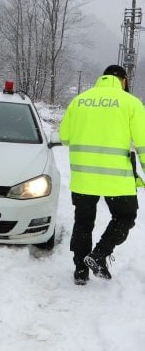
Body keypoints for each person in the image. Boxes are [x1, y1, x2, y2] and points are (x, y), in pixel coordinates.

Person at [59, 64, 145, 285]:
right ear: (123, 80)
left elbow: (64, 137)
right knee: (125, 216)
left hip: (83, 178)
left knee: (83, 222)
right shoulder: (131, 103)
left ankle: (80, 270)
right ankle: (99, 254)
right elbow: (143, 144)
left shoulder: (79, 101)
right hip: (116, 179)